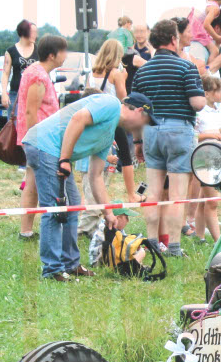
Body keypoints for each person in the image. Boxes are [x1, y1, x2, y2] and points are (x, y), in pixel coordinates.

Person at [23, 89, 156, 280]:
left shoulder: (108, 134)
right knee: (54, 208)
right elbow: (78, 119)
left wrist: (108, 213)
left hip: (54, 151)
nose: (143, 127)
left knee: (74, 203)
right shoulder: (110, 104)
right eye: (146, 121)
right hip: (44, 145)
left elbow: (96, 177)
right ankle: (52, 270)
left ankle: (71, 264)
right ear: (138, 112)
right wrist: (65, 159)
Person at [131, 19, 206, 257]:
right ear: (174, 39)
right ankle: (174, 246)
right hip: (178, 131)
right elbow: (197, 103)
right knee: (176, 195)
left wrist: (137, 142)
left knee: (153, 193)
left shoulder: (142, 72)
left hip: (150, 131)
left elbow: (135, 112)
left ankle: (152, 243)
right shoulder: (186, 67)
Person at [16, 35, 69, 241]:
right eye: (63, 51)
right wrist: (34, 139)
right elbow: (31, 111)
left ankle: (26, 230)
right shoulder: (38, 76)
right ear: (52, 55)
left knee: (32, 184)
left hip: (38, 139)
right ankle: (35, 229)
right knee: (40, 185)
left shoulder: (36, 71)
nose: (65, 55)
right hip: (40, 140)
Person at [76, 88, 141, 243]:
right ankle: (83, 231)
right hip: (89, 167)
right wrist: (107, 158)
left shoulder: (105, 123)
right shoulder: (88, 123)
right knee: (92, 201)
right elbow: (91, 150)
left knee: (98, 200)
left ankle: (91, 228)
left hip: (102, 168)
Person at [194, 75, 221, 242]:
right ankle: (218, 240)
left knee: (204, 199)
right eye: (217, 90)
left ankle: (199, 235)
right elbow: (193, 135)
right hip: (205, 157)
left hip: (220, 157)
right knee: (212, 201)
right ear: (207, 93)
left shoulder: (220, 111)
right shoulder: (199, 113)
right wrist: (209, 135)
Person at [1, 19, 38, 119]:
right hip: (15, 95)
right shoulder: (11, 51)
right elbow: (5, 73)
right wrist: (4, 93)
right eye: (33, 32)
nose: (36, 35)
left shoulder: (39, 50)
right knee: (15, 125)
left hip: (35, 95)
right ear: (24, 32)